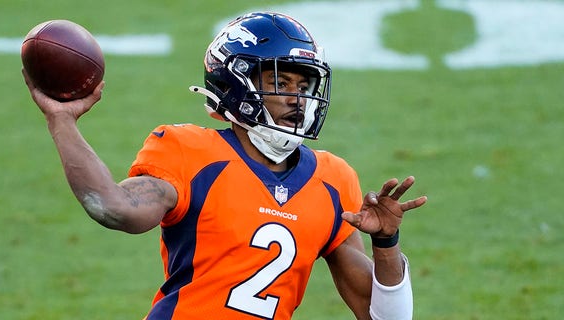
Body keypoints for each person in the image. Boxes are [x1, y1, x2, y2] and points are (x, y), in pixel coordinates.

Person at [22, 11, 427, 320]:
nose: (297, 99)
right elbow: (115, 209)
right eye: (281, 83)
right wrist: (62, 121)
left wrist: (387, 244)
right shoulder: (187, 150)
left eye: (304, 86)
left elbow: (384, 317)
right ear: (237, 84)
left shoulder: (332, 178)